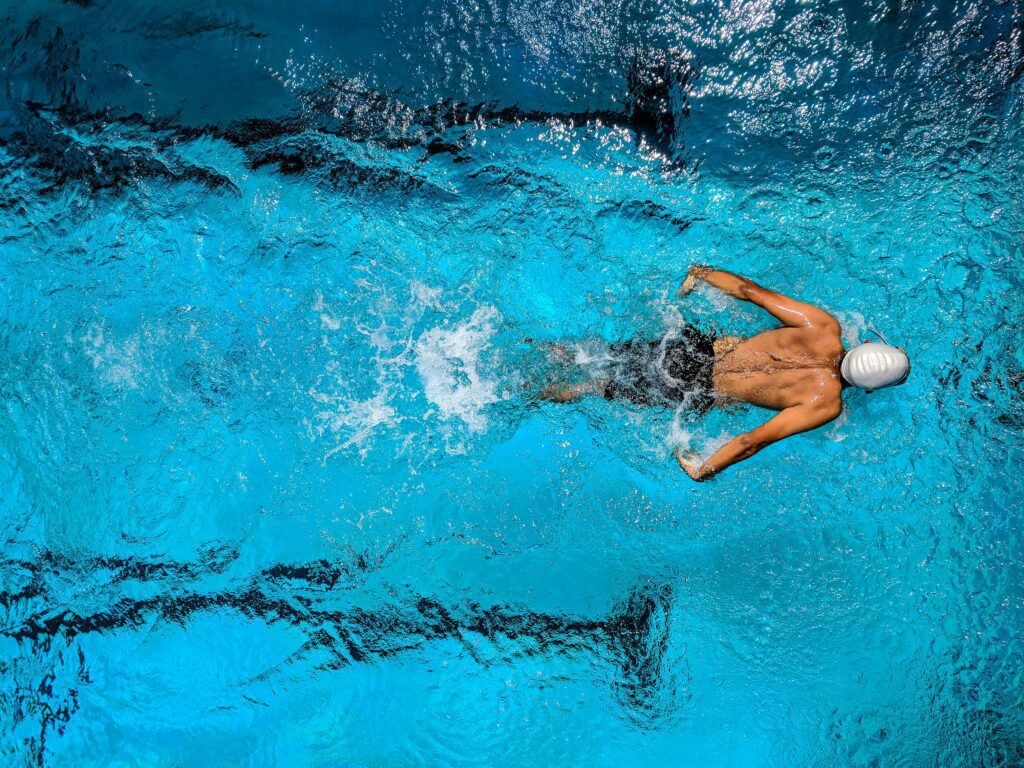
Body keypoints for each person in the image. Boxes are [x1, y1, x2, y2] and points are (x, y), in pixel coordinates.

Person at [541, 265, 910, 481]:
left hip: (693, 348)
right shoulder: (825, 404)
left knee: (594, 354)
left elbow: (751, 291)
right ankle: (531, 393)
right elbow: (752, 441)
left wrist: (702, 274)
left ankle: (544, 349)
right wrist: (705, 469)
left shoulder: (823, 326)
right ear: (870, 389)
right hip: (696, 390)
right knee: (596, 387)